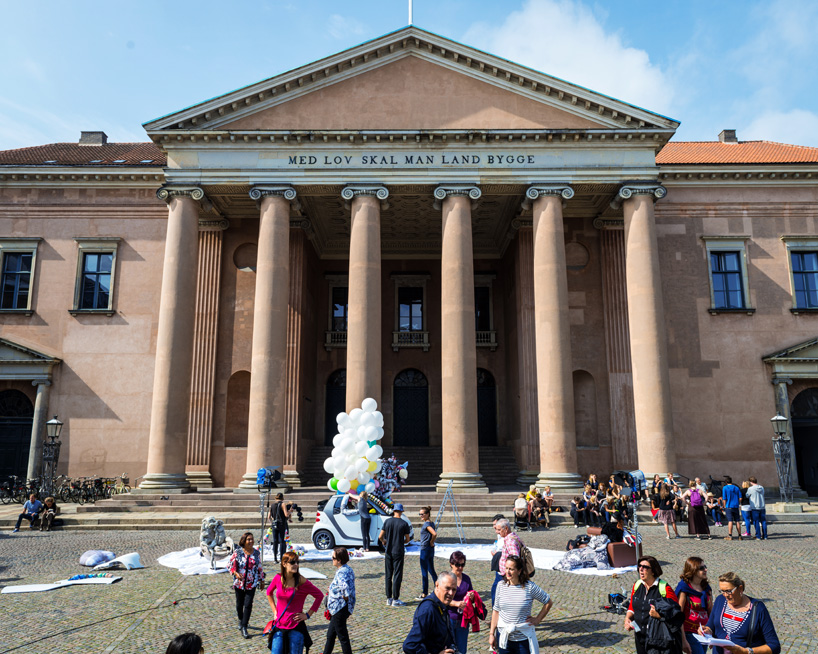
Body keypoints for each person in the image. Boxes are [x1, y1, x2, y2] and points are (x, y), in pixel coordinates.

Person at [700, 571, 781, 654]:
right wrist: (707, 631)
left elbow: (774, 646)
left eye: (729, 591)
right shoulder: (720, 600)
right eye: (722, 591)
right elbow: (711, 626)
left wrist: (747, 651)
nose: (725, 595)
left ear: (740, 588)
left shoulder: (758, 609)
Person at [489, 554, 553, 654]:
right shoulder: (500, 586)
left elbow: (548, 602)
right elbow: (496, 611)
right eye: (506, 568)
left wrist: (537, 619)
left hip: (523, 640)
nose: (508, 572)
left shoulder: (529, 587)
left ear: (519, 571)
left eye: (511, 569)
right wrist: (492, 634)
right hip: (504, 639)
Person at [624, 555, 687, 654]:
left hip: (657, 640)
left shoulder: (665, 589)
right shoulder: (636, 585)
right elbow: (632, 606)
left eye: (645, 567)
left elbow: (676, 616)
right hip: (640, 637)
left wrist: (658, 616)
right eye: (640, 566)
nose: (641, 569)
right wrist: (628, 618)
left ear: (653, 571)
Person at [266, 551, 324, 654]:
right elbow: (269, 592)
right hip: (279, 625)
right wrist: (275, 611)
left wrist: (308, 615)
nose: (296, 565)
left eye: (297, 562)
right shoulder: (277, 578)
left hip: (295, 626)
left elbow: (319, 596)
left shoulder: (301, 581)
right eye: (292, 562)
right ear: (284, 564)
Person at [403, 572, 458, 654]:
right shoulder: (428, 609)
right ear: (437, 585)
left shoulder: (442, 603)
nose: (451, 593)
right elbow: (409, 645)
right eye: (447, 588)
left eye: (454, 589)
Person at [229, 531, 265, 638]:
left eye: (252, 539)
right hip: (239, 583)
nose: (251, 541)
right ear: (244, 541)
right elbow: (229, 564)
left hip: (251, 583)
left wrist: (262, 580)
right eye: (248, 539)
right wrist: (235, 573)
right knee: (239, 605)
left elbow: (259, 567)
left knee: (248, 604)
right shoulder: (238, 552)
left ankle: (244, 626)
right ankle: (241, 619)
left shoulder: (256, 553)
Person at [675, 557, 712, 654]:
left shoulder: (706, 588)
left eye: (705, 567)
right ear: (693, 571)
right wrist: (683, 641)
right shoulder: (684, 589)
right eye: (701, 568)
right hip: (689, 632)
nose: (705, 570)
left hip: (704, 632)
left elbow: (711, 612)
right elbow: (678, 616)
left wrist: (712, 632)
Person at [323, 547, 356, 654]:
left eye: (333, 558)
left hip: (339, 608)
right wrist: (332, 589)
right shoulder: (348, 569)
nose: (332, 559)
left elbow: (345, 590)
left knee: (342, 636)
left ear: (339, 560)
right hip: (340, 608)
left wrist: (343, 597)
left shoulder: (341, 572)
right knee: (330, 635)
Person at [379, 502, 411, 606]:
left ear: (394, 511)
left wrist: (384, 541)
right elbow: (407, 539)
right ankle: (395, 599)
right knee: (397, 575)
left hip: (388, 551)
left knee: (388, 575)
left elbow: (380, 537)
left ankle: (388, 598)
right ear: (401, 511)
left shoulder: (387, 521)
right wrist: (402, 542)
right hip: (398, 551)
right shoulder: (404, 524)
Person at [447, 551, 476, 654]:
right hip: (448, 618)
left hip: (463, 619)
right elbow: (441, 598)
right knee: (448, 648)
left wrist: (472, 597)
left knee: (462, 649)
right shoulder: (447, 579)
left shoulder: (466, 579)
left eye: (462, 565)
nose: (460, 567)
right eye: (457, 565)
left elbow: (471, 596)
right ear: (451, 564)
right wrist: (455, 603)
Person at [416, 505, 438, 600]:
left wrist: (431, 541)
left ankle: (424, 593)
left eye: (422, 514)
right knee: (432, 570)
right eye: (419, 514)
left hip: (425, 549)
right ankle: (438, 588)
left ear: (427, 514)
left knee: (424, 571)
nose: (421, 515)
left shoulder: (427, 524)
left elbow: (434, 534)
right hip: (430, 549)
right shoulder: (431, 523)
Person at [269, 492, 291, 562]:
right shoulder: (283, 504)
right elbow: (286, 515)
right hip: (281, 524)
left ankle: (275, 558)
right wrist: (290, 511)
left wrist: (272, 523)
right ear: (282, 498)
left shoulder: (272, 505)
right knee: (282, 541)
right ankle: (281, 558)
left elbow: (269, 516)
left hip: (274, 524)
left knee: (275, 541)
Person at [721, 476, 742, 540]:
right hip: (735, 506)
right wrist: (737, 503)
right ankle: (740, 536)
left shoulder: (725, 488)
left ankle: (730, 536)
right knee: (737, 521)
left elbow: (724, 499)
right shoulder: (736, 488)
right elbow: (740, 498)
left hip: (729, 506)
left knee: (730, 521)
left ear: (726, 482)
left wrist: (724, 506)